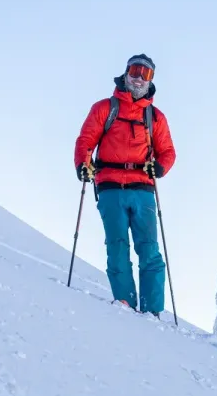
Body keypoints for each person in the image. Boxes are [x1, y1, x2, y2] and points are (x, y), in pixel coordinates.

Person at [73, 54, 177, 316]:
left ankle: (153, 312)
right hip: (109, 187)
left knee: (149, 250)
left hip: (142, 189)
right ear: (126, 73)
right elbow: (86, 141)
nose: (139, 77)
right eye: (135, 70)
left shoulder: (156, 118)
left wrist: (160, 168)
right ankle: (126, 305)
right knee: (117, 246)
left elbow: (168, 152)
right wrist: (83, 164)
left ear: (151, 80)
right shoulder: (105, 108)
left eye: (146, 73)